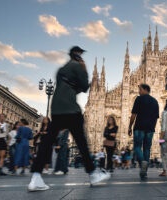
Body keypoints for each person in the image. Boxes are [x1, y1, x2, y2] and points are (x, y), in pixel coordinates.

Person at [28, 46, 110, 192]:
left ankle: (35, 177)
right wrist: (84, 69)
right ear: (78, 56)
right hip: (71, 109)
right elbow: (84, 87)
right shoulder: (77, 66)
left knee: (47, 142)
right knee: (81, 142)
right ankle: (93, 174)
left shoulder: (61, 69)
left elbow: (70, 87)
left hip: (57, 109)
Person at [128, 83, 159, 180]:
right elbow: (156, 118)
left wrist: (130, 126)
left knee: (137, 147)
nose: (139, 91)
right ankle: (144, 172)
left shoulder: (139, 99)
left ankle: (142, 163)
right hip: (150, 129)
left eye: (140, 89)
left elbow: (133, 114)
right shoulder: (155, 101)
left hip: (139, 127)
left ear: (145, 89)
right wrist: (153, 128)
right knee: (147, 149)